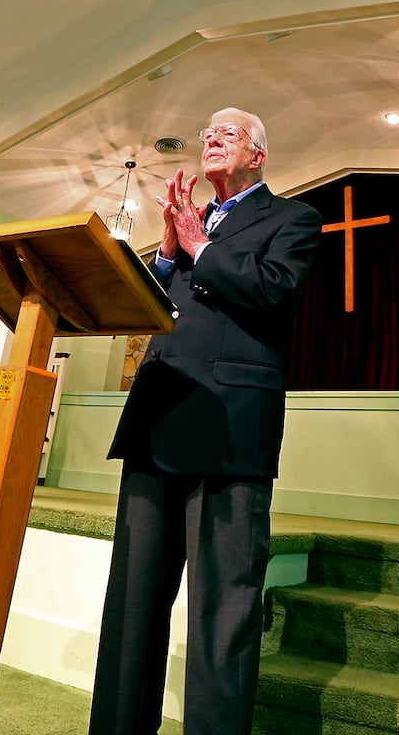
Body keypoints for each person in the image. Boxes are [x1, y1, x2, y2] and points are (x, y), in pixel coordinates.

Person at [89, 107, 321, 735]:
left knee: (222, 611)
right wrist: (165, 255)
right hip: (158, 417)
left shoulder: (294, 219)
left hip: (229, 427)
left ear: (259, 154)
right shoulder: (187, 224)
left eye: (228, 133)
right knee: (132, 603)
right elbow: (151, 309)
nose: (211, 139)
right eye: (207, 134)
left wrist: (198, 247)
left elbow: (274, 291)